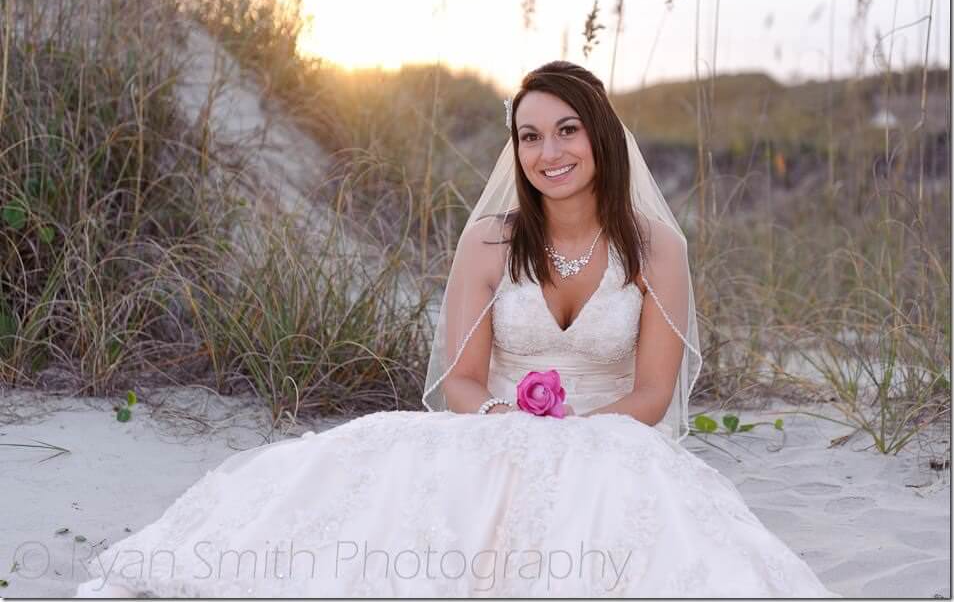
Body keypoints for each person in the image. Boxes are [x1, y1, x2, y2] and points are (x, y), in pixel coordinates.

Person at [74, 61, 840, 597]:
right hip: (494, 429)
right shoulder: (488, 243)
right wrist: (508, 419)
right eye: (530, 136)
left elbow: (651, 393)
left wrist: (575, 435)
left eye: (567, 131)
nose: (549, 153)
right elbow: (463, 380)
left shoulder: (656, 247)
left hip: (612, 440)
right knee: (367, 476)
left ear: (600, 136)